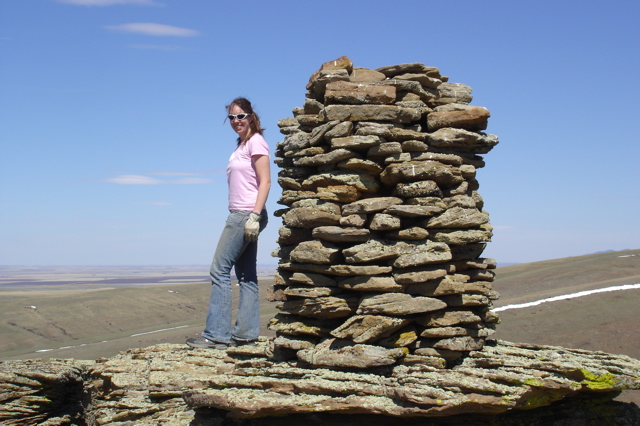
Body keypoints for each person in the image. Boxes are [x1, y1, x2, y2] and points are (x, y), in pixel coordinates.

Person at [187, 97, 270, 350]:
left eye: (240, 116)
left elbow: (265, 181)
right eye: (232, 118)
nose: (236, 121)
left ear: (251, 117)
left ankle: (216, 336)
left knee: (219, 270)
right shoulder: (241, 145)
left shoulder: (256, 142)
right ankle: (245, 335)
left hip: (245, 215)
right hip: (246, 214)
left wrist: (255, 216)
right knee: (245, 274)